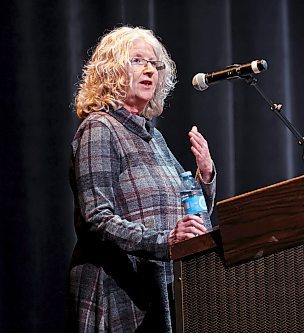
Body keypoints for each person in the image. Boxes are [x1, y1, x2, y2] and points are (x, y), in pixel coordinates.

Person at [66, 26, 215, 332]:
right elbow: (97, 219)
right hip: (116, 291)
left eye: (155, 64)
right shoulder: (99, 128)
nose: (150, 70)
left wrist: (206, 174)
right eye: (137, 61)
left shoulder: (153, 136)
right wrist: (164, 241)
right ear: (112, 72)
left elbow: (189, 211)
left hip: (157, 289)